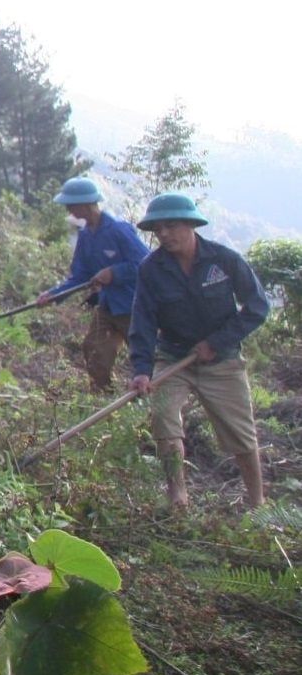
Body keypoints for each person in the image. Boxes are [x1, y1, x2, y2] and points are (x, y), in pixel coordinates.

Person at [128, 192, 269, 510]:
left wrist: (216, 342)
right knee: (163, 417)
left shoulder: (224, 260)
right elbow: (144, 322)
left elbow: (257, 307)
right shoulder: (151, 270)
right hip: (174, 356)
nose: (164, 234)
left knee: (241, 434)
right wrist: (140, 369)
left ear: (191, 225)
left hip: (222, 360)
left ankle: (257, 501)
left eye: (171, 226)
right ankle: (177, 494)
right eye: (158, 229)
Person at [34, 176, 150, 392]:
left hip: (133, 307)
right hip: (107, 307)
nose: (68, 209)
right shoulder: (86, 236)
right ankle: (103, 396)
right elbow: (79, 275)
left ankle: (147, 400)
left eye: (71, 205)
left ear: (86, 204)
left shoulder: (118, 230)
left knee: (143, 356)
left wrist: (114, 273)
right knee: (94, 349)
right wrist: (53, 294)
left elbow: (146, 263)